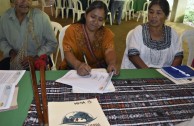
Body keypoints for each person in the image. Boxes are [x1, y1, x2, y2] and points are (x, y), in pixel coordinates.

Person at [59, 1, 119, 76]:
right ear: (85, 15)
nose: (95, 22)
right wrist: (78, 65)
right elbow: (68, 52)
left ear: (103, 21)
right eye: (93, 17)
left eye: (100, 19)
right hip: (73, 69)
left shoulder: (107, 34)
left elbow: (109, 51)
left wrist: (112, 63)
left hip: (97, 73)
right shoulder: (72, 30)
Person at [121, 0, 183, 69]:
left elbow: (178, 56)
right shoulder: (139, 31)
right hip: (141, 72)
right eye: (151, 12)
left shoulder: (173, 34)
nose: (153, 16)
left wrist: (170, 73)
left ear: (166, 16)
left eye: (158, 13)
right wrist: (149, 73)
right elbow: (133, 55)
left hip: (165, 74)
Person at [0, 0, 58, 70]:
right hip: (14, 61)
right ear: (14, 1)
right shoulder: (5, 18)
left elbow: (52, 43)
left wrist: (36, 57)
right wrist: (11, 52)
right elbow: (2, 40)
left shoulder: (42, 17)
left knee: (36, 79)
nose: (25, 1)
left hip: (37, 61)